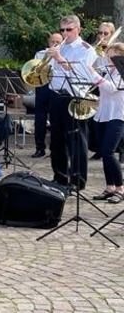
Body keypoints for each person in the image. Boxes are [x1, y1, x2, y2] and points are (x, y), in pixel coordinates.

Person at [47, 15, 96, 189]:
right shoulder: (61, 47)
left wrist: (59, 58)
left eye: (69, 29)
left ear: (79, 29)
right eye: (62, 30)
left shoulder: (86, 49)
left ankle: (77, 181)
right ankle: (60, 177)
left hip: (75, 97)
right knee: (56, 140)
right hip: (56, 95)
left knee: (76, 140)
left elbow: (81, 74)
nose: (65, 33)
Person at [90, 42, 124, 203]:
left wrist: (94, 74)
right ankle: (110, 187)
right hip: (102, 114)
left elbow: (112, 88)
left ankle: (120, 189)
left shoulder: (122, 73)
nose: (109, 60)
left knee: (109, 152)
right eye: (108, 57)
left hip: (117, 115)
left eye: (112, 57)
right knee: (104, 154)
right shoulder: (108, 71)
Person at [31, 33, 63, 158]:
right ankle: (39, 148)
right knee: (39, 120)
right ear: (48, 42)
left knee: (56, 119)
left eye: (58, 42)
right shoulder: (40, 54)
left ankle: (55, 149)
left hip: (57, 88)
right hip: (43, 86)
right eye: (52, 41)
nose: (54, 44)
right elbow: (34, 71)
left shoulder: (63, 54)